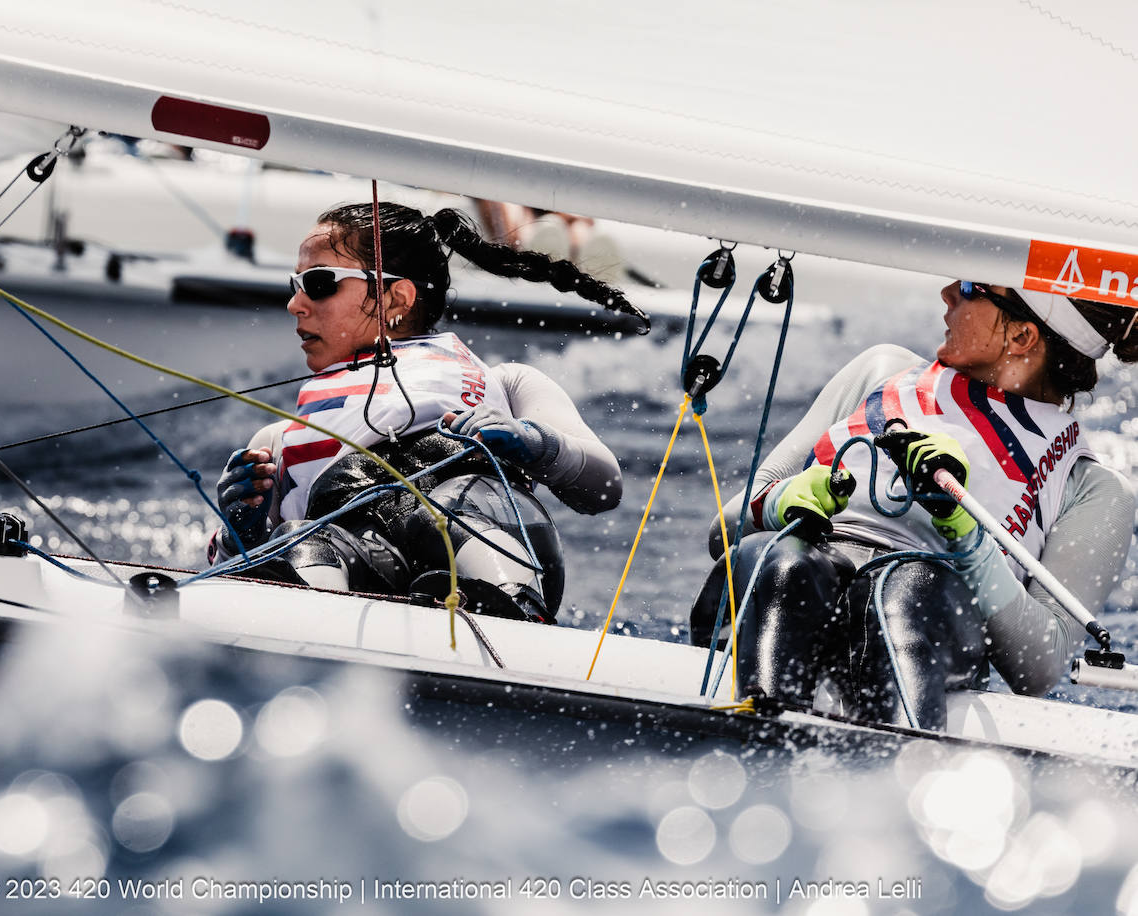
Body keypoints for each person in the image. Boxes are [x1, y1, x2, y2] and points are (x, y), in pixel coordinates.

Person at [690, 280, 1138, 728]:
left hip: (921, 612)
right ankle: (758, 730)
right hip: (794, 584)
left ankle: (896, 759)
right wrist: (777, 503)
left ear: (1022, 336)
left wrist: (968, 537)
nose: (948, 292)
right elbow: (722, 531)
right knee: (785, 565)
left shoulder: (1093, 486)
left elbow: (1039, 666)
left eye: (971, 288)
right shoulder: (881, 369)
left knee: (905, 593)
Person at [204, 202, 632, 622]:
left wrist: (534, 443)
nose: (295, 304)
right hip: (364, 579)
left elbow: (605, 488)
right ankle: (316, 626)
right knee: (300, 539)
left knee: (442, 515)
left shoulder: (509, 384)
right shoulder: (276, 443)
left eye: (318, 283)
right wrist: (239, 534)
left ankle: (516, 612)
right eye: (293, 286)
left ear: (396, 298)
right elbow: (233, 572)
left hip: (487, 547)